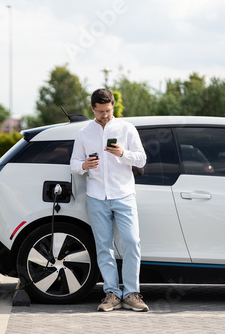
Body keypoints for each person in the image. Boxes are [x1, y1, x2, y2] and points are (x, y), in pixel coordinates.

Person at [70, 88, 148, 312]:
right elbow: (74, 164)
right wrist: (84, 165)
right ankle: (112, 294)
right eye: (101, 111)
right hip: (96, 197)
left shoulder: (126, 128)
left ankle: (132, 293)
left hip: (124, 194)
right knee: (104, 247)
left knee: (132, 242)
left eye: (108, 110)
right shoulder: (84, 133)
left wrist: (123, 153)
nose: (105, 115)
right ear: (92, 108)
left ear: (113, 106)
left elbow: (141, 159)